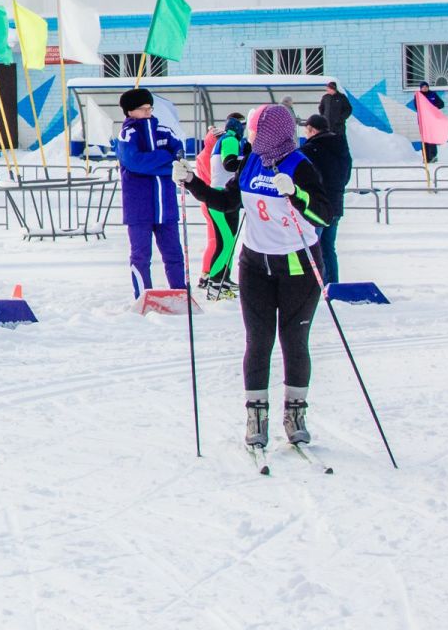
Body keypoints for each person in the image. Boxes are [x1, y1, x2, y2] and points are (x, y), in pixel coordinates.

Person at [176, 103, 333, 450]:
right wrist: (192, 183)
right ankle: (256, 417)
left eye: (255, 130)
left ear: (272, 133)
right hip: (255, 267)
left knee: (294, 341)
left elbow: (324, 215)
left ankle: (295, 415)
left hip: (298, 267)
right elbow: (226, 201)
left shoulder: (300, 166)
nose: (249, 135)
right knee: (258, 341)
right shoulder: (250, 163)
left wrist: (296, 194)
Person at [114, 87, 187, 299]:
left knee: (174, 253)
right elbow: (135, 162)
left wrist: (161, 161)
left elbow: (178, 155)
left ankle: (180, 293)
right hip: (138, 207)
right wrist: (164, 159)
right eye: (143, 109)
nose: (148, 112)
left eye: (150, 108)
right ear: (130, 111)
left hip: (166, 206)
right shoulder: (127, 134)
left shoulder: (164, 130)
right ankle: (143, 296)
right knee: (141, 255)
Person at [196, 112, 248, 299]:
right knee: (224, 242)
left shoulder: (229, 140)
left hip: (227, 196)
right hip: (220, 196)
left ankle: (223, 279)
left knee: (229, 242)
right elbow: (229, 163)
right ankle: (215, 283)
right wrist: (249, 160)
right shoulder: (230, 140)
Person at [298, 113, 352, 285]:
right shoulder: (341, 147)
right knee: (328, 248)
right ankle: (332, 284)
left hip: (317, 206)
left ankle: (314, 285)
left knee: (313, 247)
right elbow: (346, 175)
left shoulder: (310, 149)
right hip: (336, 203)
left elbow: (304, 177)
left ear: (312, 130)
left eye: (306, 130)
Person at [416, 83, 445, 164]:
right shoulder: (418, 96)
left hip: (431, 120)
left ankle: (432, 156)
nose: (425, 88)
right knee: (424, 138)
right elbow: (417, 107)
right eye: (423, 87)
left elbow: (441, 104)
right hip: (422, 120)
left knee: (431, 138)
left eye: (426, 87)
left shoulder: (433, 94)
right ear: (420, 88)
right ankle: (425, 157)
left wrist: (433, 107)